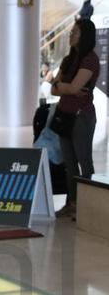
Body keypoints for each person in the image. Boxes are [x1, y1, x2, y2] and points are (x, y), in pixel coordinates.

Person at [50, 18, 99, 219]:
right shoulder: (68, 59)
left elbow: (73, 87)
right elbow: (54, 88)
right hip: (64, 116)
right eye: (71, 31)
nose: (70, 35)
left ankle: (87, 207)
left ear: (85, 36)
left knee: (84, 162)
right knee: (69, 164)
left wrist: (64, 86)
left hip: (81, 117)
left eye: (75, 32)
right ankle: (71, 203)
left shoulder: (90, 59)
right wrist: (66, 88)